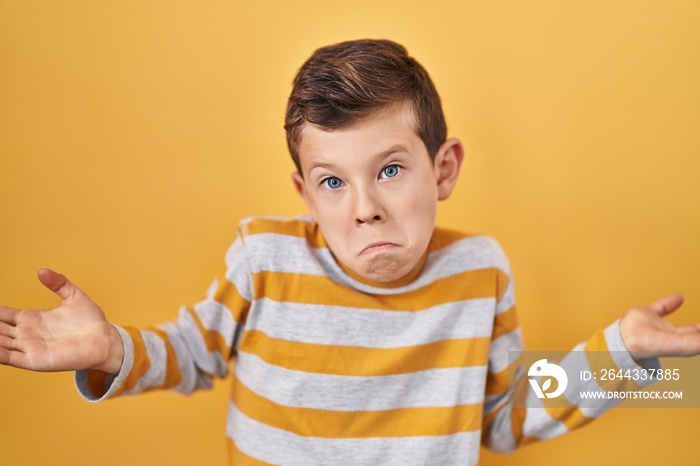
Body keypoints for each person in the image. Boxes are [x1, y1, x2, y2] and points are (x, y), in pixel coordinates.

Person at [0, 39, 698, 466]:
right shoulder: (265, 257)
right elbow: (193, 352)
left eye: (390, 169)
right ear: (306, 193)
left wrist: (626, 355)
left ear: (444, 169)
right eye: (334, 182)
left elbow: (505, 417)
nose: (363, 206)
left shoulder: (480, 273)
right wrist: (109, 349)